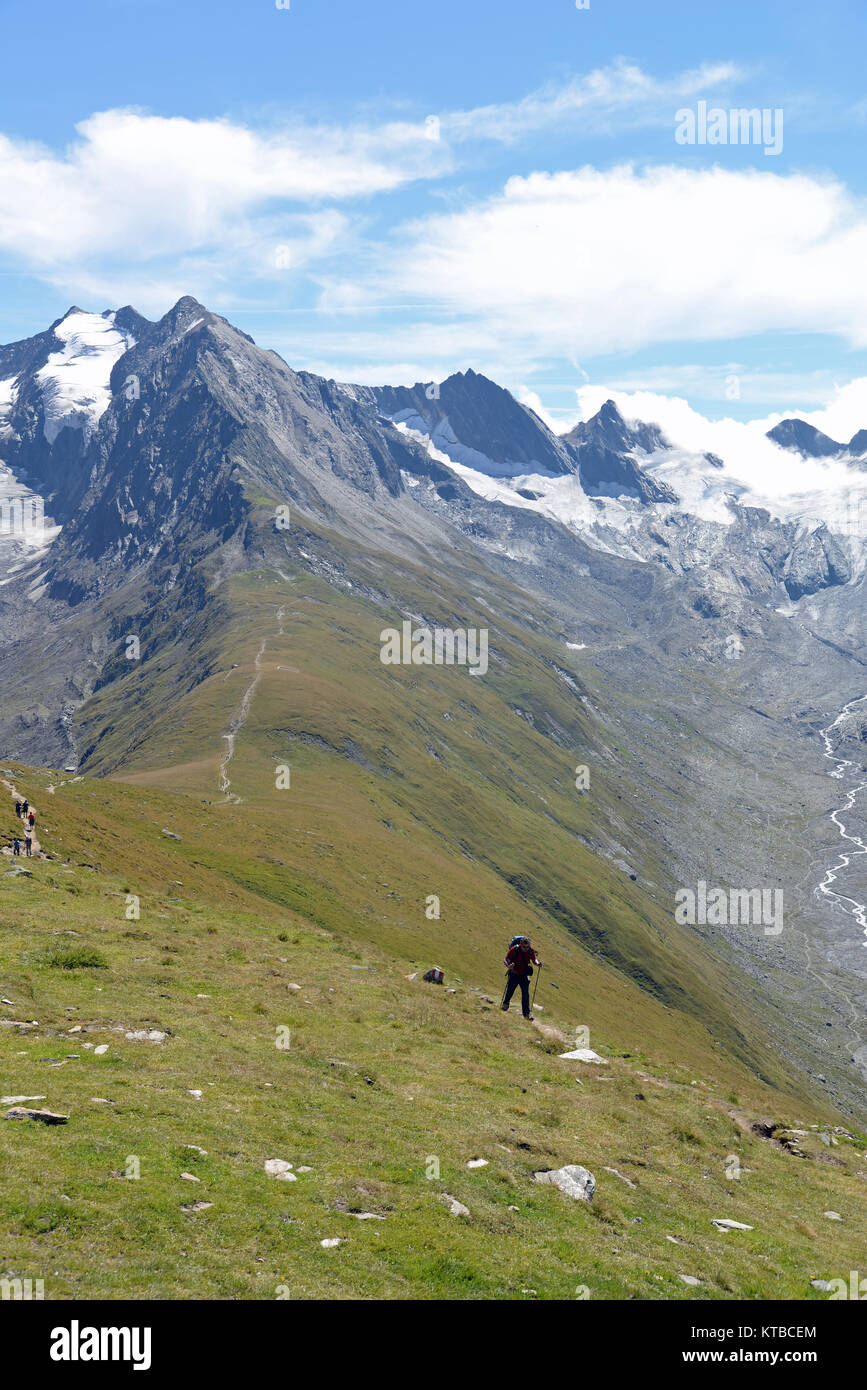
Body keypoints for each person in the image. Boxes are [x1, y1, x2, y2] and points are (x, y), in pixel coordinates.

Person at [501, 935, 540, 1020]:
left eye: (527, 947)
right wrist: (509, 966)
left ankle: (526, 1014)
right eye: (524, 947)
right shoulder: (515, 949)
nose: (526, 948)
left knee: (525, 994)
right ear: (520, 945)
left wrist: (537, 963)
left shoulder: (530, 951)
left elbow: (534, 960)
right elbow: (506, 959)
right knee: (510, 990)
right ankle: (505, 1004)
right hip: (514, 973)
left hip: (524, 974)